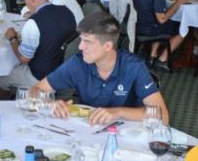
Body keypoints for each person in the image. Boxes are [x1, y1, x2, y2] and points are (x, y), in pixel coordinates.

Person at [35, 11, 168, 126]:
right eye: (81, 40)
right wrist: (50, 104)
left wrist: (118, 112)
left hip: (126, 134)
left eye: (87, 41)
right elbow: (35, 90)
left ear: (107, 46)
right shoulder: (78, 63)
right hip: (89, 129)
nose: (80, 46)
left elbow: (162, 116)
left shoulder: (133, 67)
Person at [0, 0, 75, 91]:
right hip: (64, 70)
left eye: (25, 1)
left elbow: (24, 58)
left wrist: (12, 38)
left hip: (42, 77)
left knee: (0, 74)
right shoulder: (67, 11)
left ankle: (10, 105)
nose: (26, 5)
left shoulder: (33, 23)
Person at [130, 0, 191, 70]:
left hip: (134, 22)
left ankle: (152, 56)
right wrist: (178, 2)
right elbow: (161, 19)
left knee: (164, 20)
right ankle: (162, 60)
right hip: (147, 28)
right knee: (183, 27)